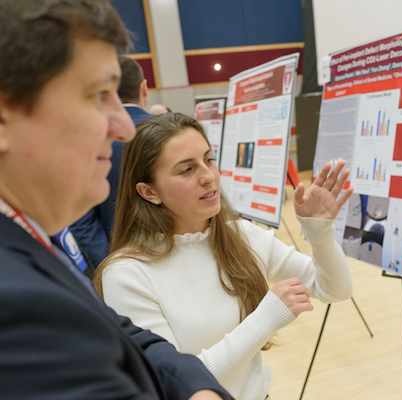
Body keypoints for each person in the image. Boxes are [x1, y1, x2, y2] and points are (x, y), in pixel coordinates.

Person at [0, 1, 231, 398]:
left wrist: (193, 386)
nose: (125, 127)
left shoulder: (32, 236)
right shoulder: (15, 307)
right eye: (97, 94)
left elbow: (113, 330)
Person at [97, 113, 355, 400]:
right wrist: (265, 318)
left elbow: (335, 289)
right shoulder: (126, 274)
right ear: (149, 191)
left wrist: (319, 231)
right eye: (186, 170)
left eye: (209, 160)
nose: (208, 177)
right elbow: (175, 384)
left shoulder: (241, 235)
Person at [70, 55, 153, 266]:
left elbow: (81, 218)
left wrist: (110, 264)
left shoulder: (86, 140)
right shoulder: (178, 135)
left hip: (113, 259)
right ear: (144, 88)